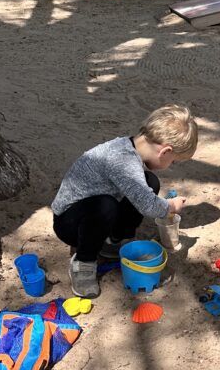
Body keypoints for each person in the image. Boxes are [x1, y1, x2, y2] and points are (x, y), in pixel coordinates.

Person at [51, 105, 198, 297]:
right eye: (174, 161)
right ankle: (84, 262)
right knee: (106, 206)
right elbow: (147, 205)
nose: (171, 165)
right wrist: (171, 206)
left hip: (92, 211)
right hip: (69, 223)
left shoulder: (129, 147)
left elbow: (140, 193)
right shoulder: (123, 161)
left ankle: (113, 240)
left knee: (149, 182)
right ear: (165, 152)